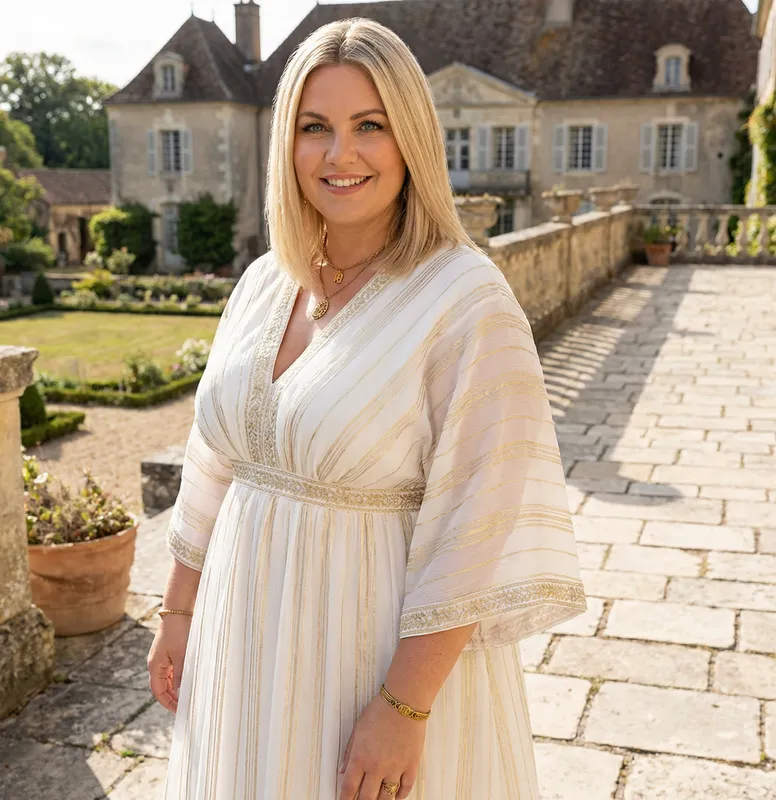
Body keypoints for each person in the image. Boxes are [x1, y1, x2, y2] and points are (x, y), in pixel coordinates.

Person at [148, 17, 586, 800]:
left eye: (369, 127)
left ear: (411, 139)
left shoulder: (465, 298)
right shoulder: (262, 284)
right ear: (287, 142)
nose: (338, 154)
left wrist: (404, 706)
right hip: (239, 631)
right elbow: (214, 462)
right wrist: (177, 611)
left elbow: (478, 521)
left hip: (363, 648)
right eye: (315, 127)